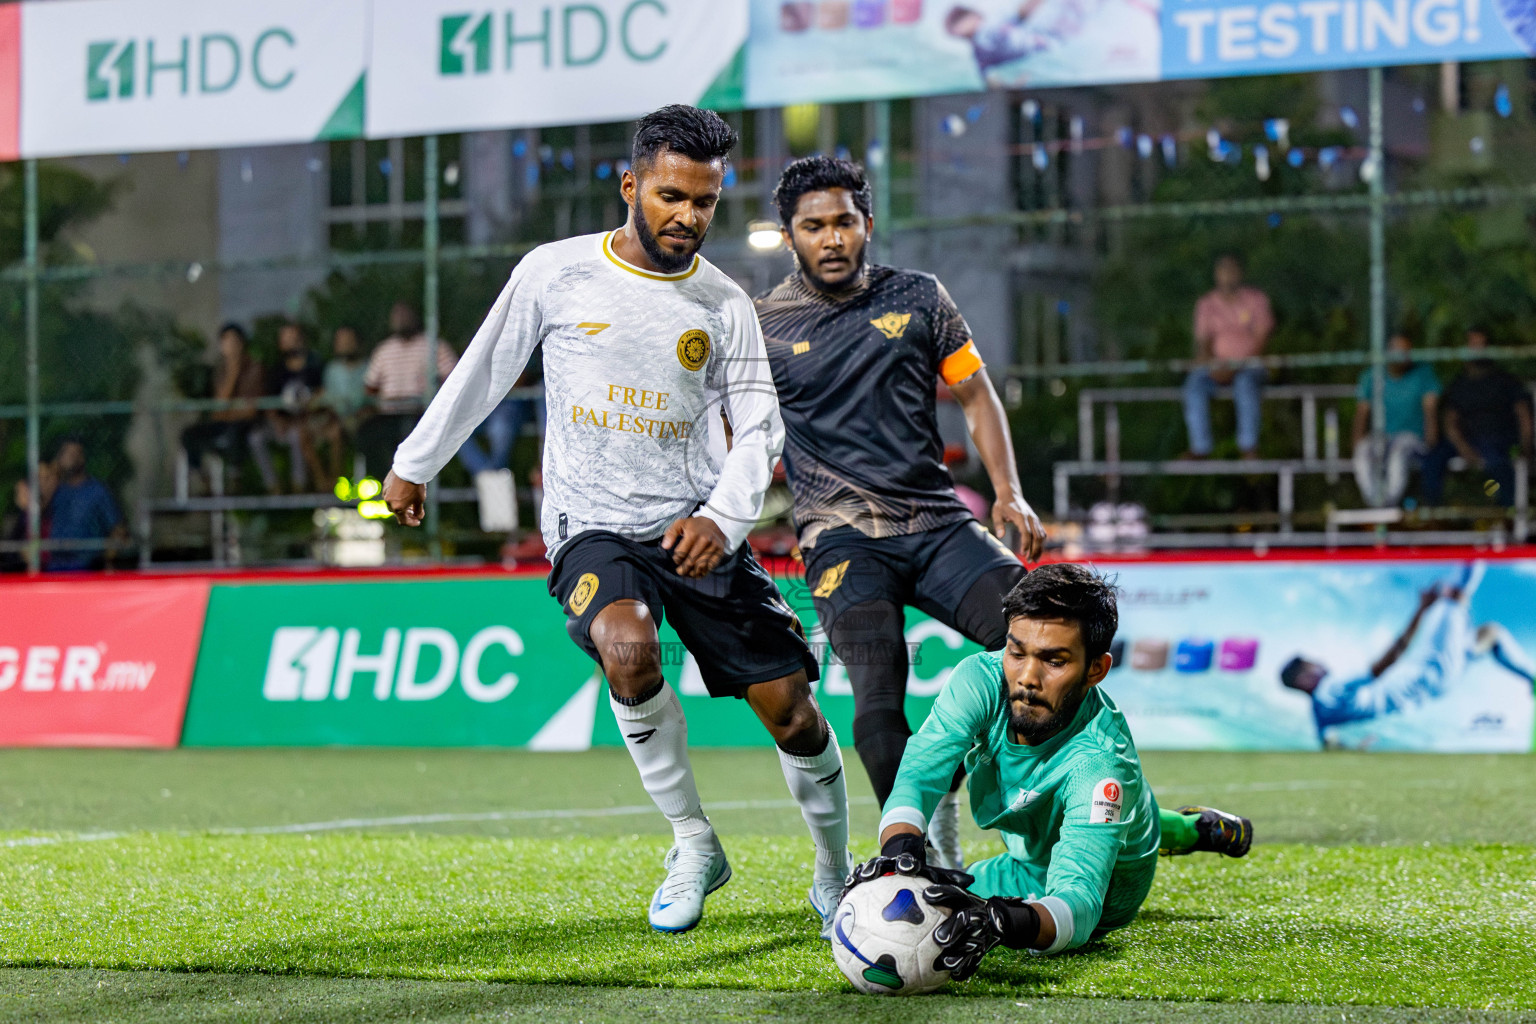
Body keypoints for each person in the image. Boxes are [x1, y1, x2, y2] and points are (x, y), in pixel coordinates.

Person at [381, 105, 850, 938]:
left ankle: (834, 871)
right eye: (671, 196)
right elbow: (485, 367)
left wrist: (723, 517)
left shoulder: (723, 303)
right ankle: (692, 841)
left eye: (704, 202)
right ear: (630, 186)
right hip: (591, 524)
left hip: (697, 527)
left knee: (792, 710)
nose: (687, 217)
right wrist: (416, 461)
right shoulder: (554, 273)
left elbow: (760, 427)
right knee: (627, 649)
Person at [756, 155, 1047, 872]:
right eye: (813, 226)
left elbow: (976, 396)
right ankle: (915, 863)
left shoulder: (920, 297)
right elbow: (738, 436)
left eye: (844, 223)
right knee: (877, 694)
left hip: (940, 525)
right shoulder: (762, 325)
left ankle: (993, 793)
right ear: (789, 235)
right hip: (840, 541)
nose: (831, 238)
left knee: (1042, 633)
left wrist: (1008, 491)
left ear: (867, 225)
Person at [840, 564, 1252, 976]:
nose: (1027, 678)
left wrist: (1007, 922)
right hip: (1040, 842)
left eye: (1054, 661)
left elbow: (1081, 904)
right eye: (1017, 652)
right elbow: (921, 771)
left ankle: (1193, 828)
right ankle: (1188, 827)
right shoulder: (981, 680)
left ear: (1096, 669)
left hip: (1110, 885)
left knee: (1118, 819)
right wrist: (901, 849)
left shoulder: (1103, 764)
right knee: (944, 894)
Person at [1280, 562, 1535, 748]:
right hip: (1429, 671)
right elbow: (1380, 667)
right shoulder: (1330, 688)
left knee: (1491, 634)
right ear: (1303, 680)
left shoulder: (1319, 712)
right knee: (1452, 597)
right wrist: (1420, 610)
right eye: (1312, 665)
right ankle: (1482, 541)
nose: (1319, 664)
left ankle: (1532, 678)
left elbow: (1328, 744)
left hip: (1436, 684)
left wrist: (1356, 750)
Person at [1420, 328, 1533, 508]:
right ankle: (1432, 512)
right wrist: (1463, 447)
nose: (1477, 349)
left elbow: (1524, 414)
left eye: (1481, 345)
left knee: (1500, 463)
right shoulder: (1459, 384)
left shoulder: (1506, 381)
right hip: (1464, 442)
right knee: (1432, 459)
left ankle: (1508, 515)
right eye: (1473, 344)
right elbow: (1450, 421)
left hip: (1497, 440)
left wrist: (1526, 446)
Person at [1182, 254, 1273, 459]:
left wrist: (1235, 367)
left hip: (1249, 366)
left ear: (1240, 274)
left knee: (1245, 385)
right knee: (1194, 386)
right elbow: (1204, 341)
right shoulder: (1206, 305)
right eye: (1224, 272)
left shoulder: (1256, 300)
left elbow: (1261, 340)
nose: (1228, 277)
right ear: (1216, 275)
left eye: (1232, 272)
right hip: (1216, 367)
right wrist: (1213, 365)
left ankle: (1248, 447)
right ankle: (1200, 447)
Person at [357, 302, 458, 477]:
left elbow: (453, 377)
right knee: (365, 434)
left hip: (420, 412)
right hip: (388, 413)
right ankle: (389, 479)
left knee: (411, 437)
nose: (401, 320)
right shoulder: (384, 350)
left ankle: (409, 481)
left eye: (405, 315)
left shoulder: (433, 345)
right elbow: (370, 386)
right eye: (397, 316)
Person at [1351, 333, 1440, 507]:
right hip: (1382, 437)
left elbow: (1430, 408)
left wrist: (1431, 439)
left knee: (1398, 454)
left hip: (1412, 437)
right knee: (1363, 451)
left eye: (1407, 351)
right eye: (1399, 350)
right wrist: (1356, 442)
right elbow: (1362, 412)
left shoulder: (1423, 373)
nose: (1403, 355)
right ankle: (1375, 503)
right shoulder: (1372, 376)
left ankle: (1388, 504)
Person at [180, 323, 267, 491]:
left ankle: (236, 479)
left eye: (233, 342)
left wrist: (228, 411)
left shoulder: (255, 368)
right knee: (189, 435)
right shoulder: (220, 370)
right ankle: (204, 480)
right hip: (225, 421)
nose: (229, 347)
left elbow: (250, 410)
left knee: (234, 432)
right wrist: (232, 373)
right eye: (225, 342)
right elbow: (220, 406)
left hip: (245, 424)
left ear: (242, 343)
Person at [249, 321, 327, 494]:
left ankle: (298, 485)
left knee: (296, 435)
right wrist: (277, 421)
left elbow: (321, 396)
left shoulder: (314, 367)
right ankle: (272, 485)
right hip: (280, 424)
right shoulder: (276, 371)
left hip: (306, 423)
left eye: (295, 338)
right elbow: (268, 401)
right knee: (256, 438)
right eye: (287, 339)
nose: (292, 343)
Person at [46, 438, 126, 572]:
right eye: (65, 454)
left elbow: (117, 529)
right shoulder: (57, 490)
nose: (70, 458)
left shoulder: (97, 491)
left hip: (86, 566)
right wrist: (53, 472)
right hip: (55, 566)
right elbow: (36, 511)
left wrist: (107, 560)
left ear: (82, 458)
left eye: (74, 454)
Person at [316, 325, 370, 483]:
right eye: (340, 341)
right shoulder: (332, 370)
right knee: (307, 434)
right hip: (335, 419)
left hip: (362, 418)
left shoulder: (368, 367)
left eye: (348, 340)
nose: (343, 345)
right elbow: (327, 399)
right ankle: (326, 483)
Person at [1, 462, 57, 572]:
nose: (41, 483)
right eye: (38, 478)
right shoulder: (21, 517)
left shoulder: (53, 514)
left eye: (46, 478)